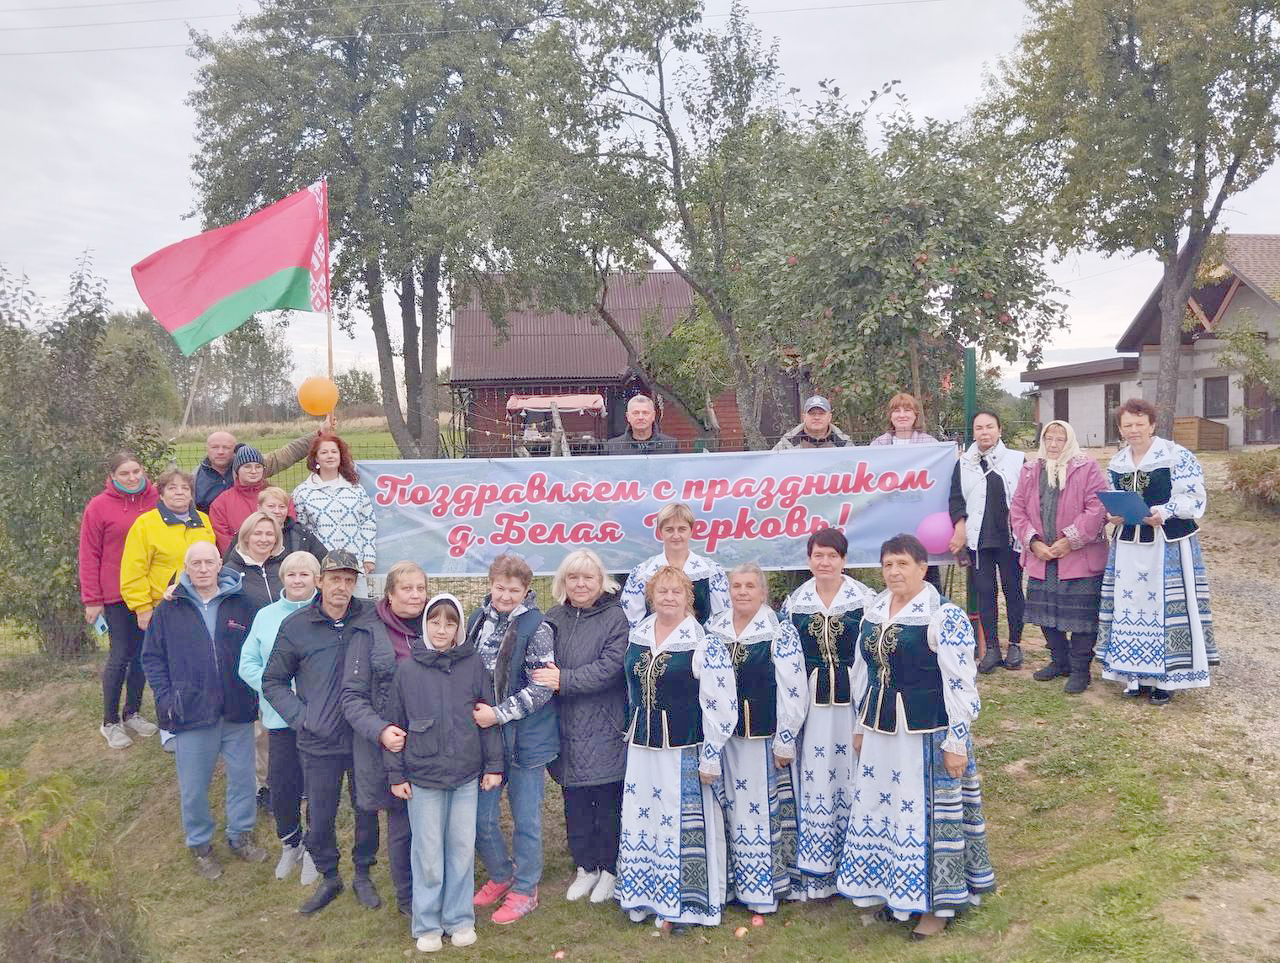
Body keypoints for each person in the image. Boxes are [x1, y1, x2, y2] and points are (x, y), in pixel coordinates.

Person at [837, 534, 996, 939]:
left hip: (926, 733)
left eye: (903, 564)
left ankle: (937, 907)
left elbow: (960, 682)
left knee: (923, 816)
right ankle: (897, 895)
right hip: (881, 731)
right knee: (887, 812)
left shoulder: (943, 615)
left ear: (923, 568)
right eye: (888, 564)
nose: (894, 572)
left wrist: (956, 741)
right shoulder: (875, 610)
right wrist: (860, 725)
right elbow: (862, 671)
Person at [261, 550, 382, 915]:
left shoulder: (371, 616)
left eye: (348, 580)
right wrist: (303, 717)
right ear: (320, 582)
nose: (341, 587)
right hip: (318, 739)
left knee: (366, 808)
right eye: (334, 579)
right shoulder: (297, 626)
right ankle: (330, 875)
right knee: (320, 814)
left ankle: (363, 872)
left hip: (363, 736)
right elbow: (273, 680)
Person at [616, 565, 735, 930]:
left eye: (676, 591)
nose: (669, 598)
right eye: (662, 591)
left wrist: (711, 754)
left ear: (688, 598)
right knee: (643, 817)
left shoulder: (704, 643)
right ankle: (643, 897)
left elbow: (721, 702)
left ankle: (686, 904)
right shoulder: (638, 634)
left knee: (677, 820)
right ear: (651, 597)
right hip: (642, 746)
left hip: (682, 747)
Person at [384, 593, 504, 954]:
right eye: (435, 622)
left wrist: (494, 765)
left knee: (461, 849)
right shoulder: (407, 669)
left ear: (459, 629)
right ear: (425, 625)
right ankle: (427, 923)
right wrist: (396, 775)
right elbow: (395, 725)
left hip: (465, 775)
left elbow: (487, 717)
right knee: (428, 854)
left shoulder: (473, 665)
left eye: (449, 623)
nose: (441, 629)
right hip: (423, 778)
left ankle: (459, 919)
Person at [140, 542, 267, 879]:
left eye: (208, 562)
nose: (202, 569)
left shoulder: (242, 603)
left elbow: (260, 648)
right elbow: (152, 658)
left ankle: (240, 835)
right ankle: (200, 845)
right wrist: (166, 698)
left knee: (243, 779)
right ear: (186, 568)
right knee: (194, 787)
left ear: (219, 565)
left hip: (238, 709)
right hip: (191, 712)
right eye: (195, 563)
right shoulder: (169, 608)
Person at [1095, 399, 1218, 706]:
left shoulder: (1176, 455)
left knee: (1163, 606)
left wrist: (1164, 511)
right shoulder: (1118, 461)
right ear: (1120, 429)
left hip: (1167, 544)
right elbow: (1114, 496)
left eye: (1139, 424)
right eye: (1127, 425)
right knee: (1129, 605)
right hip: (1128, 545)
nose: (1133, 430)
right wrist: (1113, 514)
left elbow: (1193, 496)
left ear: (1152, 425)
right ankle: (1133, 675)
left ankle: (1166, 679)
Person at [703, 563, 806, 914]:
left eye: (750, 586)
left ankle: (764, 888)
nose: (742, 592)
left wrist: (785, 737)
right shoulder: (713, 629)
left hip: (761, 736)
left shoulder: (778, 630)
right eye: (737, 586)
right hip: (723, 740)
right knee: (727, 808)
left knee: (757, 810)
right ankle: (732, 884)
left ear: (763, 592)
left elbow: (794, 687)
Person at [779, 527, 875, 899]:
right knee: (817, 780)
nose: (825, 562)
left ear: (844, 560)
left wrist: (866, 715)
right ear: (808, 560)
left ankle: (857, 868)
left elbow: (869, 661)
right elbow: (787, 667)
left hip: (852, 706)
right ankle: (820, 874)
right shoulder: (795, 604)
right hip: (813, 711)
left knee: (853, 776)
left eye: (832, 556)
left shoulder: (864, 601)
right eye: (818, 555)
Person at [532, 549, 630, 906]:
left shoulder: (616, 618)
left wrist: (564, 680)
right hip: (565, 727)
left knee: (606, 803)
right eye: (573, 577)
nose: (580, 584)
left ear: (601, 581)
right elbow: (540, 663)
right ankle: (585, 867)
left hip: (604, 726)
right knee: (574, 803)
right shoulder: (554, 618)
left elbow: (610, 668)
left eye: (588, 577)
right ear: (563, 582)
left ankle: (610, 870)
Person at [466, 554, 559, 925]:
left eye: (514, 590)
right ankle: (501, 873)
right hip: (486, 738)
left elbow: (542, 688)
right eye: (500, 588)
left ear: (526, 590)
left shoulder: (538, 627)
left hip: (526, 739)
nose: (505, 596)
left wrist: (499, 713)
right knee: (481, 816)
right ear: (491, 585)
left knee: (526, 819)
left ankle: (525, 888)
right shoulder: (476, 620)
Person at [340, 560, 429, 917]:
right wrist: (379, 730)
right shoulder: (367, 633)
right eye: (407, 588)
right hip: (392, 744)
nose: (415, 595)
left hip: (433, 743)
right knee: (402, 823)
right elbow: (352, 697)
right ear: (389, 594)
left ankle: (437, 886)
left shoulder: (437, 622)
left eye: (420, 588)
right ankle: (407, 898)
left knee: (433, 821)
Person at [238, 551, 322, 883]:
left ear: (317, 579)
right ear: (282, 579)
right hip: (278, 717)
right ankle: (291, 843)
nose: (298, 580)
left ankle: (315, 848)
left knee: (317, 788)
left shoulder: (326, 614)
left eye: (305, 574)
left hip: (317, 719)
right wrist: (276, 688)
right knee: (283, 788)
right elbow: (247, 663)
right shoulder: (266, 616)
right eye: (291, 574)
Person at [120, 468, 219, 752]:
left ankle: (202, 717)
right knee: (168, 668)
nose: (179, 493)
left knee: (197, 664)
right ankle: (169, 725)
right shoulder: (146, 525)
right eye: (172, 488)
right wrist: (142, 607)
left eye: (185, 488)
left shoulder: (203, 521)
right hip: (164, 608)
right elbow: (133, 569)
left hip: (199, 606)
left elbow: (210, 561)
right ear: (161, 494)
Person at [1009, 420, 1109, 694]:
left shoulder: (1087, 467)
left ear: (1069, 441)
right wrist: (1033, 542)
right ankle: (1059, 660)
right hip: (1043, 557)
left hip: (1079, 557)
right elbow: (1017, 509)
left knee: (1081, 618)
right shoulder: (1031, 470)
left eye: (1059, 439)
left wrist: (1070, 540)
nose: (1053, 444)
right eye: (1048, 438)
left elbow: (1097, 507)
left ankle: (1080, 670)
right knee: (1045, 615)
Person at [79, 451, 159, 750]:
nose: (132, 478)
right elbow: (89, 554)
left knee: (142, 655)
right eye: (124, 473)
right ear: (112, 477)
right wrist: (92, 599)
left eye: (136, 471)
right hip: (115, 594)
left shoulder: (155, 500)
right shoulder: (98, 507)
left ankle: (132, 712)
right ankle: (110, 721)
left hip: (148, 593)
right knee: (121, 654)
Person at [948, 410, 1026, 672]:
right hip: (979, 538)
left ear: (999, 430)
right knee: (985, 592)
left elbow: (1028, 497)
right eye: (979, 428)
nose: (985, 432)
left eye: (990, 427)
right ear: (973, 433)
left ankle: (1015, 644)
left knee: (1013, 590)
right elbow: (956, 499)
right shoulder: (963, 463)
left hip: (1010, 537)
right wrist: (959, 528)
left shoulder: (1017, 459)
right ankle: (991, 647)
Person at [620, 502, 730, 627]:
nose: (676, 535)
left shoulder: (712, 572)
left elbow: (722, 619)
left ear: (691, 531)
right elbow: (631, 621)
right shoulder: (642, 573)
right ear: (660, 532)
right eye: (669, 530)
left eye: (682, 529)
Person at [291, 433, 378, 577]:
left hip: (354, 564)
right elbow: (300, 530)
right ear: (316, 458)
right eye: (324, 452)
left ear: (340, 456)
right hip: (321, 566)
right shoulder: (302, 492)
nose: (330, 456)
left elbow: (368, 522)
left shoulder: (356, 489)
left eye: (334, 452)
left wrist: (369, 557)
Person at [194, 425, 322, 514]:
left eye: (226, 447)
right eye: (215, 447)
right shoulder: (195, 478)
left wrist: (319, 434)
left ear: (234, 449)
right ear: (207, 448)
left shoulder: (249, 465)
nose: (220, 452)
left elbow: (287, 454)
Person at [210, 447, 280, 555]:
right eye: (247, 467)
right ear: (237, 470)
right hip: (239, 560)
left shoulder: (278, 496)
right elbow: (224, 541)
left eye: (258, 466)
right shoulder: (221, 503)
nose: (253, 471)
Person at [223, 511, 286, 613]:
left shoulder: (286, 566)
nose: (264, 539)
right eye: (257, 533)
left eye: (269, 534)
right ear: (246, 536)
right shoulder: (230, 572)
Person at [258, 486, 328, 559]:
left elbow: (324, 559)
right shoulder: (252, 532)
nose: (277, 511)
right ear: (259, 508)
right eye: (271, 506)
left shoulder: (302, 533)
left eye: (282, 507)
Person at [605, 394, 679, 454]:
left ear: (653, 416)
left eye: (645, 413)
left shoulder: (670, 445)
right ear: (628, 416)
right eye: (636, 413)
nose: (640, 417)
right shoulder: (612, 447)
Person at [773, 395, 851, 450]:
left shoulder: (843, 443)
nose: (817, 417)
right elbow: (770, 463)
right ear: (804, 417)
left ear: (829, 417)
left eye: (821, 413)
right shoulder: (788, 443)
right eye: (812, 413)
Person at [870, 392, 937, 446]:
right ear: (890, 416)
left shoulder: (930, 443)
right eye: (897, 411)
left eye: (907, 410)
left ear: (915, 415)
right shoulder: (878, 444)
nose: (902, 415)